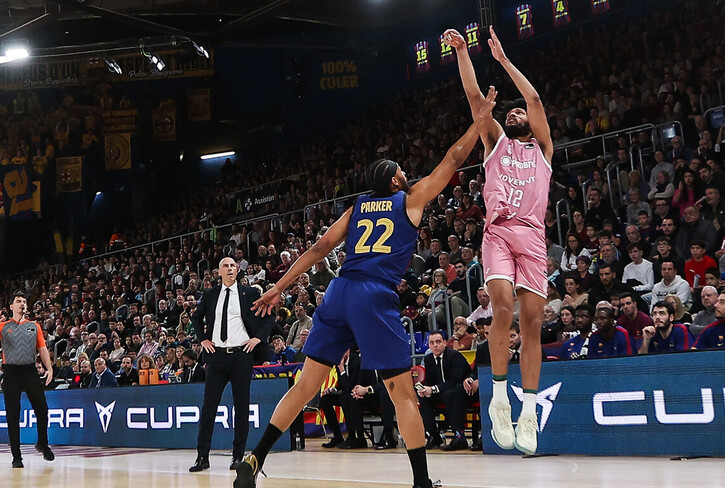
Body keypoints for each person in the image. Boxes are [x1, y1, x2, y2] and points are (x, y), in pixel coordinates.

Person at [233, 90, 495, 488]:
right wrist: (480, 121)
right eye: (402, 172)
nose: (407, 175)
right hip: (374, 295)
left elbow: (320, 249)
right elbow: (454, 159)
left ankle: (256, 456)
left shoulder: (357, 208)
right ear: (394, 180)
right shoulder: (409, 199)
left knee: (306, 384)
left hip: (339, 292)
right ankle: (422, 482)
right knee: (402, 392)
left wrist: (277, 288)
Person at [447, 26, 550, 455]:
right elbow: (475, 100)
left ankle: (528, 412)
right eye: (507, 113)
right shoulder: (495, 144)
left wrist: (506, 61)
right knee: (502, 307)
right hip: (499, 233)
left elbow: (536, 100)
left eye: (516, 113)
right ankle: (498, 398)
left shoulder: (542, 147)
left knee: (531, 325)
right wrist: (463, 52)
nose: (512, 114)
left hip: (534, 237)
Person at [187, 256, 274, 472]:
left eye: (233, 266)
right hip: (216, 356)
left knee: (241, 407)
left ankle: (238, 456)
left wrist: (258, 338)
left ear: (237, 270)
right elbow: (196, 318)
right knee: (209, 408)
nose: (230, 269)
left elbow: (269, 317)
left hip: (241, 355)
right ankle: (202, 457)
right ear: (219, 272)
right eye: (225, 266)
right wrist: (202, 339)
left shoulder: (250, 293)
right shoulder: (209, 295)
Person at [0, 292, 55, 469]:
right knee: (13, 415)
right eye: (18, 301)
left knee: (42, 409)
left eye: (24, 301)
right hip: (11, 373)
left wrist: (49, 368)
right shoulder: (4, 327)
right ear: (11, 307)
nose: (22, 304)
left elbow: (42, 348)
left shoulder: (35, 326)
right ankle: (16, 456)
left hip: (30, 371)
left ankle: (42, 443)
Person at [417, 331, 472, 451]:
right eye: (432, 343)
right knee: (423, 397)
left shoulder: (454, 356)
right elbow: (429, 381)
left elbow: (455, 380)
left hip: (460, 391)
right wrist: (424, 389)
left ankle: (459, 435)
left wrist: (434, 389)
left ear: (445, 343)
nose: (435, 345)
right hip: (440, 391)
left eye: (438, 342)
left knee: (449, 394)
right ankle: (433, 435)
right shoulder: (428, 359)